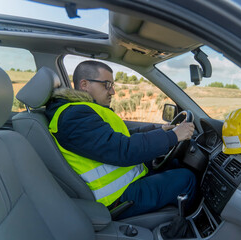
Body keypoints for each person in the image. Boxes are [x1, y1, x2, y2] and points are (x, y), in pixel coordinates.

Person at [45, 60, 196, 219]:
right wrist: (173, 136)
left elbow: (119, 136)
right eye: (107, 84)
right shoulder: (73, 117)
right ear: (84, 84)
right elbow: (122, 150)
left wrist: (159, 130)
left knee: (174, 164)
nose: (112, 92)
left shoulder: (81, 110)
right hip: (115, 198)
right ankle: (190, 228)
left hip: (126, 181)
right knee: (187, 179)